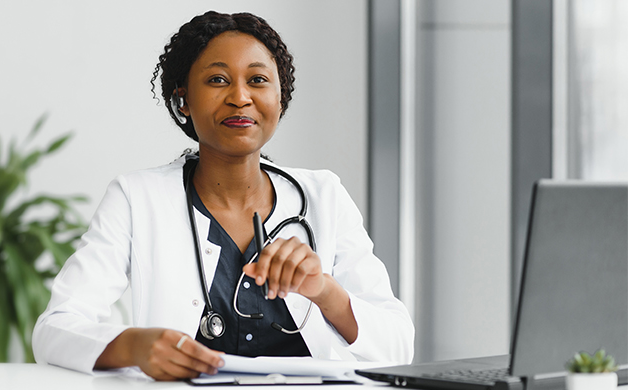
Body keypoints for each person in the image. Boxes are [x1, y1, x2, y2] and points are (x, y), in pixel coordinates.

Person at [31, 11, 413, 381]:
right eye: (217, 80)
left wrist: (324, 291)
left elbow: (398, 346)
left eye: (259, 80)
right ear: (183, 100)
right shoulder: (136, 198)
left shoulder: (324, 195)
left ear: (281, 99)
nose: (240, 97)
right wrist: (133, 346)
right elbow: (55, 329)